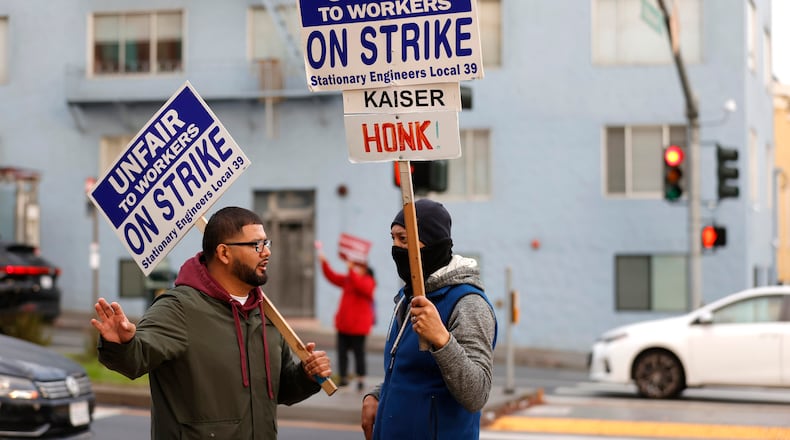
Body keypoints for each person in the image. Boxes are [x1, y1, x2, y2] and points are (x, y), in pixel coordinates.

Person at [90, 206, 332, 439]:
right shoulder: (179, 308)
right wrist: (121, 344)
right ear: (224, 253)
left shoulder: (265, 313)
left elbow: (278, 390)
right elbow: (135, 359)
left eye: (266, 243)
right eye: (256, 245)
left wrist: (305, 375)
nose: (266, 252)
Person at [361, 199, 498, 440]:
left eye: (403, 239)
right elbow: (414, 373)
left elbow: (476, 393)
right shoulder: (408, 298)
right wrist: (378, 396)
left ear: (432, 243)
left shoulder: (468, 303)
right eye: (392, 239)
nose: (396, 248)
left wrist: (442, 340)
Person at [317, 242, 376, 391]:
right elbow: (332, 276)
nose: (355, 269)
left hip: (358, 327)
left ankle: (360, 379)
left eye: (358, 267)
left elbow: (360, 286)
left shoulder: (368, 281)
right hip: (344, 324)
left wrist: (351, 270)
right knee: (342, 353)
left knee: (359, 353)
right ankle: (343, 377)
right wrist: (324, 261)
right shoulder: (349, 279)